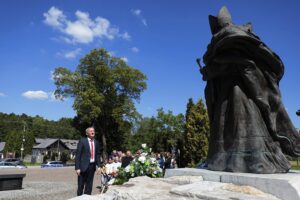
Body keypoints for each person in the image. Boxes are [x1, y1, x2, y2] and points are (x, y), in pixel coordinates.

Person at [200, 6, 300, 173]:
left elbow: (236, 64)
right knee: (237, 123)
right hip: (235, 90)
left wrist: (211, 70)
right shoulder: (239, 38)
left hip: (239, 90)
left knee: (243, 122)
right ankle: (234, 159)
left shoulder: (224, 41)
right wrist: (210, 71)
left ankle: (245, 159)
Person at [75, 127, 102, 196]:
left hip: (92, 166)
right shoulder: (82, 141)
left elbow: (98, 155)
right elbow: (78, 155)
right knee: (81, 185)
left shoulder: (96, 142)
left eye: (93, 131)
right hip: (82, 167)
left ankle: (87, 197)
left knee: (89, 185)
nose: (93, 132)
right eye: (91, 131)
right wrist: (77, 168)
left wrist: (99, 166)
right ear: (87, 133)